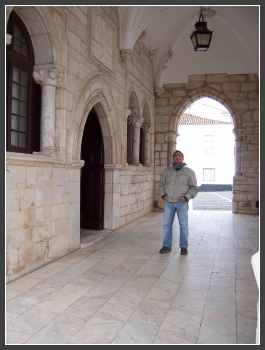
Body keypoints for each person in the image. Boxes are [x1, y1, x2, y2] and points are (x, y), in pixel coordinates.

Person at [158, 150, 198, 255]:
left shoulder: (189, 172)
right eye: (175, 156)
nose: (177, 157)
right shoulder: (167, 171)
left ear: (182, 158)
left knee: (183, 225)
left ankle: (184, 247)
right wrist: (163, 195)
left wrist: (186, 197)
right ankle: (166, 246)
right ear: (173, 158)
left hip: (182, 203)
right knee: (167, 225)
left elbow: (194, 188)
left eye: (179, 155)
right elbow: (161, 185)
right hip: (169, 202)